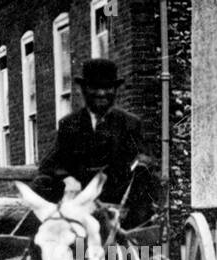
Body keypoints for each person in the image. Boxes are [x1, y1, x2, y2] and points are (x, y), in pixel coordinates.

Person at [37, 58, 153, 226]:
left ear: (115, 90)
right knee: (42, 184)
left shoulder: (130, 123)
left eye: (107, 88)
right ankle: (54, 244)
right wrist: (67, 178)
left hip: (120, 201)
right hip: (79, 201)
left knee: (145, 185)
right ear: (84, 89)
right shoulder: (69, 125)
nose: (101, 93)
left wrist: (140, 164)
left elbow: (145, 158)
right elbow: (50, 164)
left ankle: (141, 248)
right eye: (95, 87)